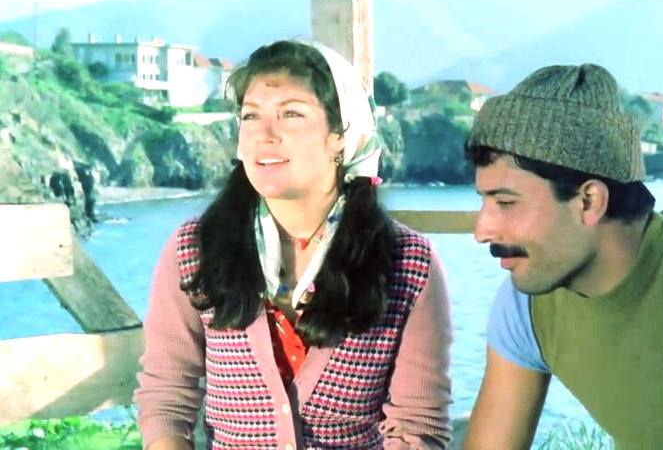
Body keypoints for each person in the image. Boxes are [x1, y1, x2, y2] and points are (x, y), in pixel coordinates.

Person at [134, 39, 452, 450]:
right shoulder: (195, 249)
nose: (264, 135)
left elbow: (416, 428)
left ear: (341, 135)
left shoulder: (409, 263)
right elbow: (166, 396)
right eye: (251, 116)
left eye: (291, 114)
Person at [461, 63, 663, 449]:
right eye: (485, 202)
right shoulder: (528, 303)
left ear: (589, 202)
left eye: (505, 203)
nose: (482, 231)